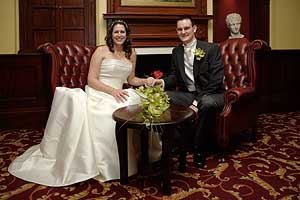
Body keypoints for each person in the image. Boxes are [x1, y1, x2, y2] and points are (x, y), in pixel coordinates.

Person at [8, 20, 158, 186]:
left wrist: (146, 80)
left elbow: (131, 79)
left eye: (122, 32)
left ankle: (139, 157)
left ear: (127, 34)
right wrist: (112, 91)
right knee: (110, 115)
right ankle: (108, 165)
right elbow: (91, 80)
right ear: (110, 34)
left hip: (120, 92)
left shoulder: (132, 53)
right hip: (100, 92)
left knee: (140, 107)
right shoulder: (101, 51)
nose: (119, 35)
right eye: (116, 32)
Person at [149, 15, 225, 168]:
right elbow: (175, 77)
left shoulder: (211, 49)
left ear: (194, 29)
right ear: (177, 31)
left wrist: (196, 102)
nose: (183, 32)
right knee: (163, 96)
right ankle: (178, 141)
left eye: (186, 28)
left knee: (206, 103)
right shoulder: (176, 51)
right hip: (189, 94)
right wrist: (161, 82)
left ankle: (199, 148)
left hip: (213, 94)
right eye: (180, 29)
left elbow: (215, 82)